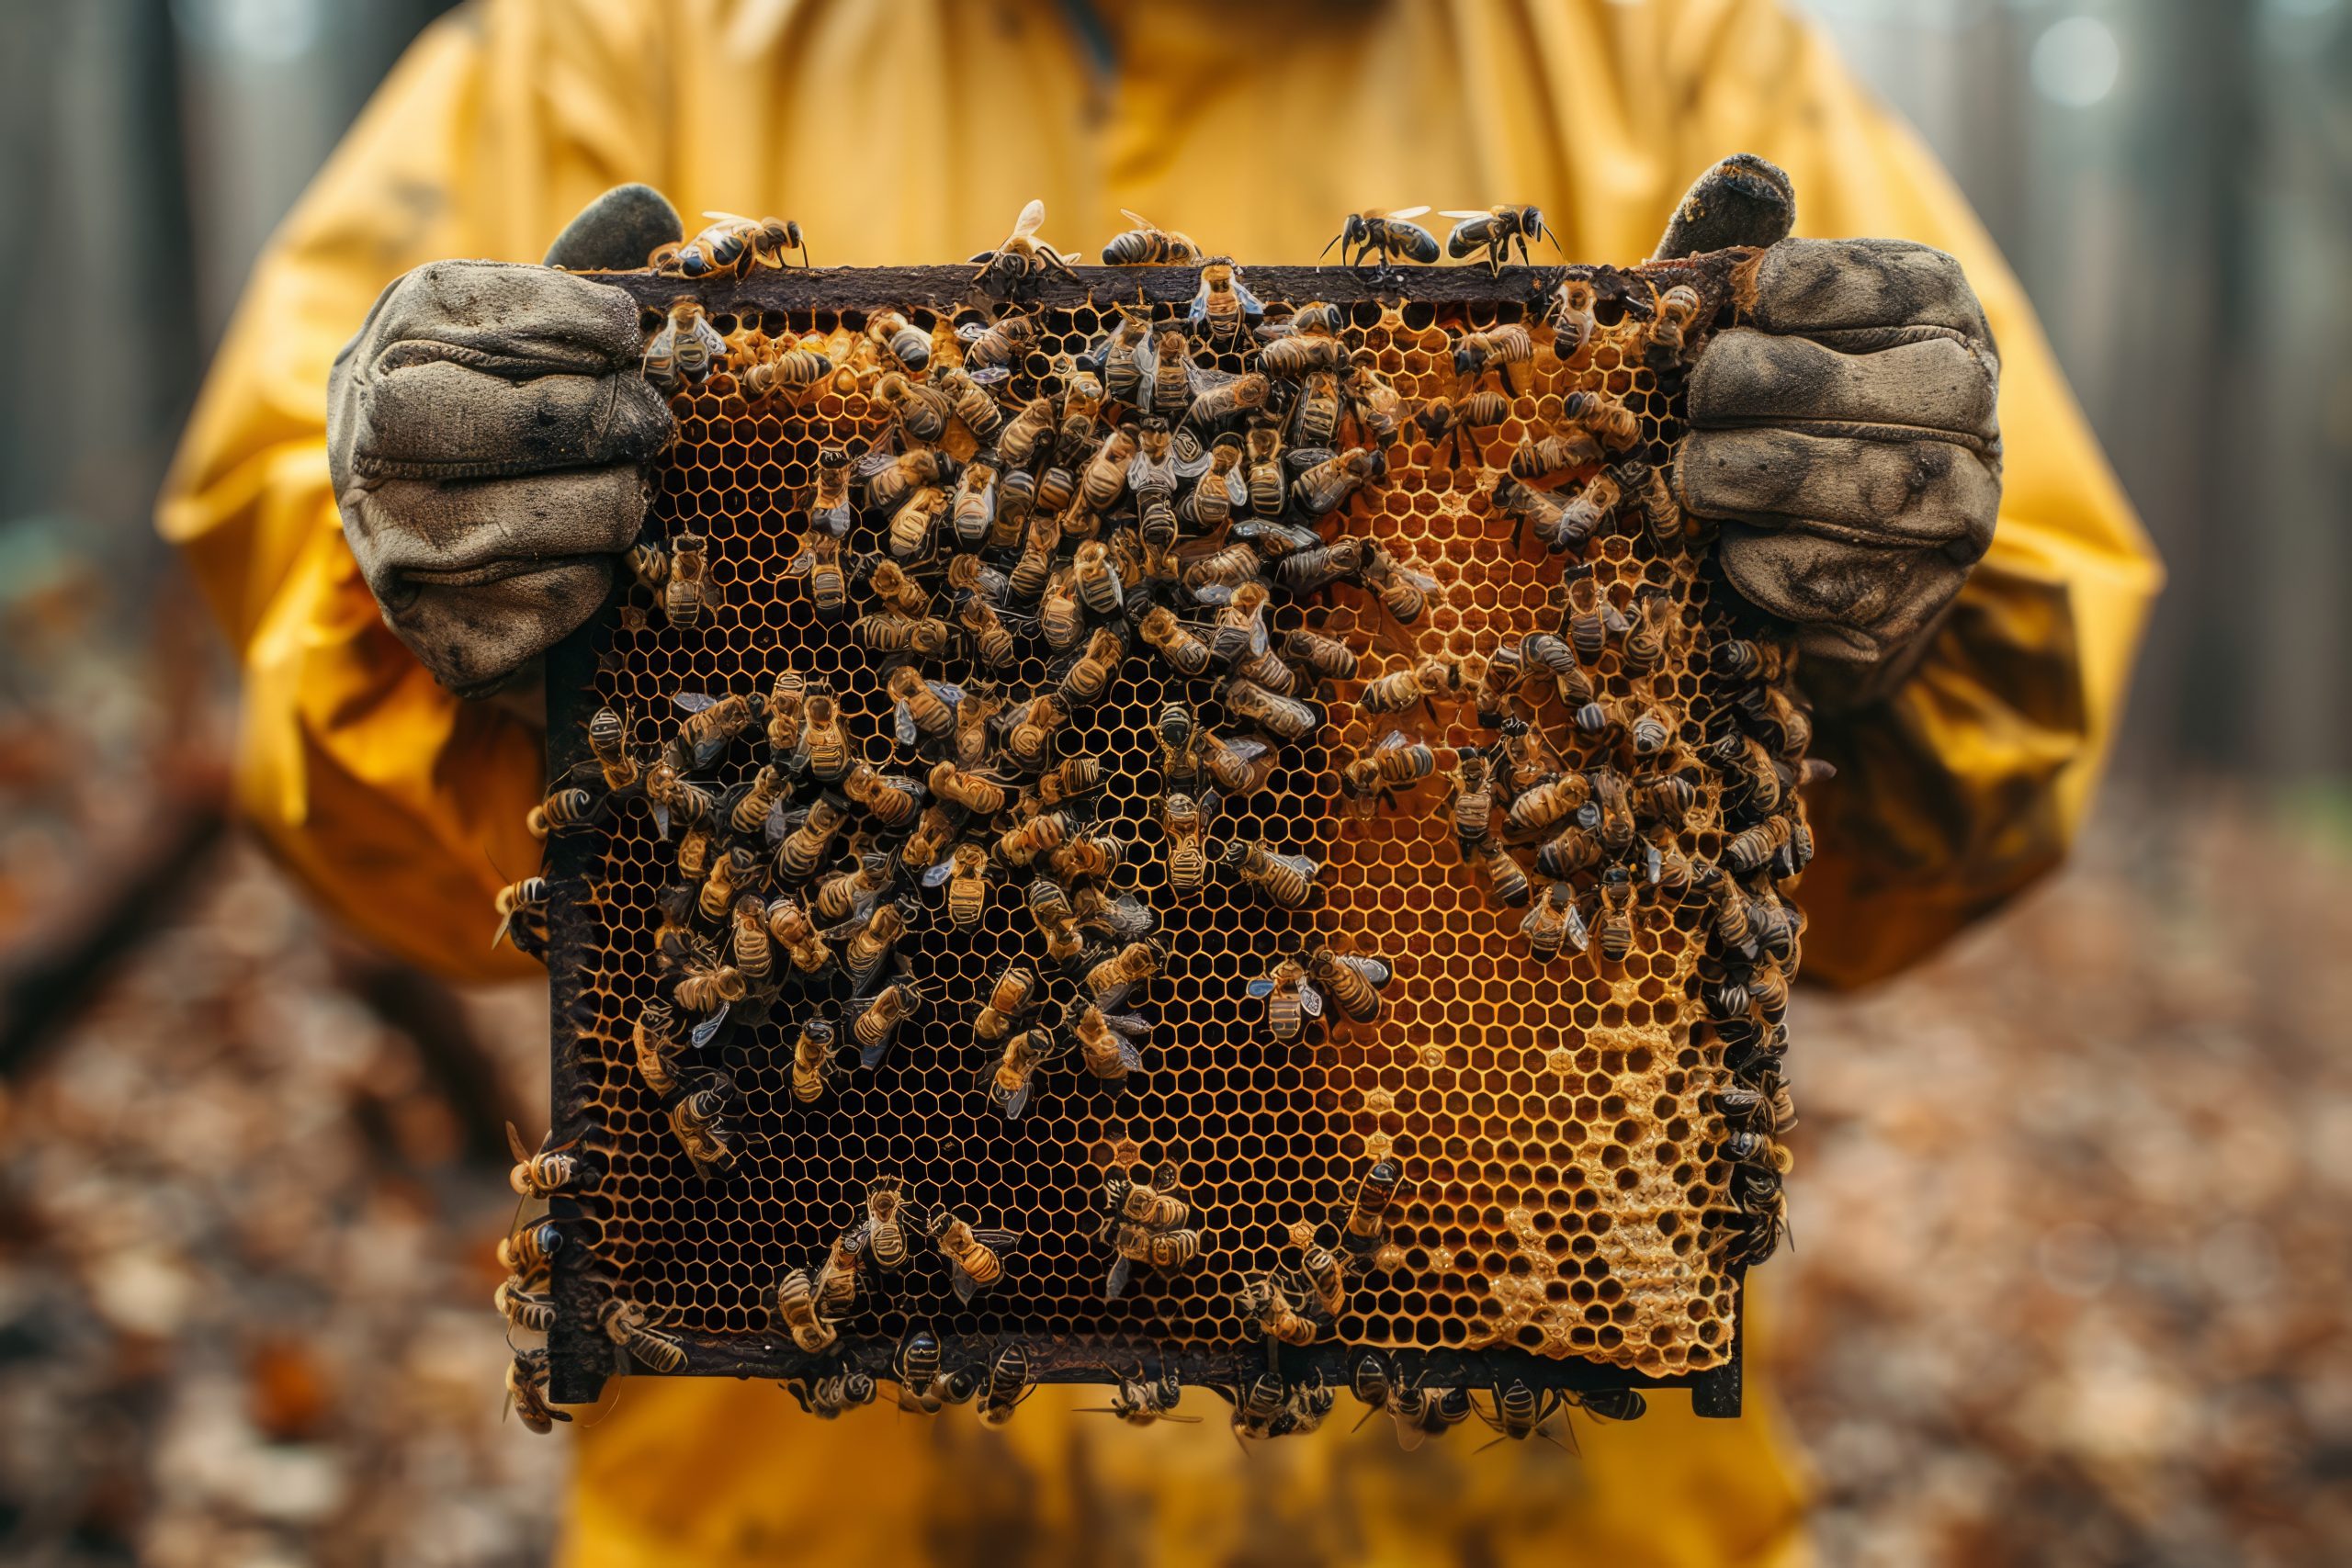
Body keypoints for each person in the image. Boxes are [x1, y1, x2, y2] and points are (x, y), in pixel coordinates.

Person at [158, 1, 2160, 1562]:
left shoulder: (1668, 47)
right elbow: (307, 681)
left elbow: (1997, 719)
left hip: (1525, 1504)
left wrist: (1879, 632)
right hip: (807, 1502)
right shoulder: (614, 44)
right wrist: (410, 563)